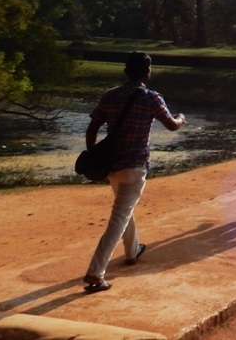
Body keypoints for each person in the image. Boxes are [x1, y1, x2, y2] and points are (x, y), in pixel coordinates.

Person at [83, 51, 186, 293]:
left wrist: (93, 155)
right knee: (119, 217)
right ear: (147, 72)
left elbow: (92, 126)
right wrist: (182, 118)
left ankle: (132, 252)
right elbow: (171, 125)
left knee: (123, 208)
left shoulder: (110, 95)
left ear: (126, 71)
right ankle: (96, 273)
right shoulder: (151, 97)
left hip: (111, 166)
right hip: (135, 165)